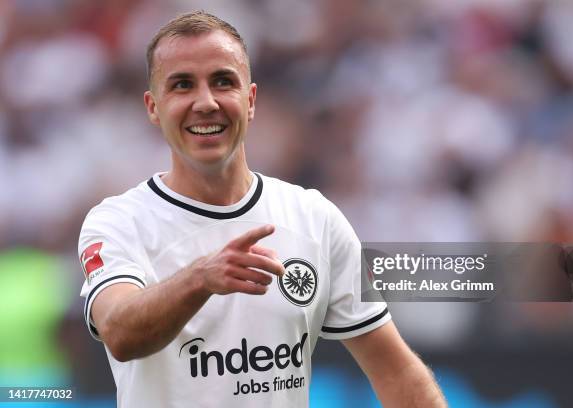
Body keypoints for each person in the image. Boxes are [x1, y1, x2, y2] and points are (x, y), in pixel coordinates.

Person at [78, 10, 446, 408]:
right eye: (182, 85)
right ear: (153, 107)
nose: (206, 102)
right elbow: (119, 333)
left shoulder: (313, 218)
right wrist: (200, 279)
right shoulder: (119, 222)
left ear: (250, 100)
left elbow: (397, 370)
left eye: (223, 82)